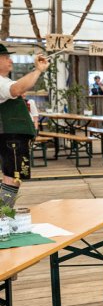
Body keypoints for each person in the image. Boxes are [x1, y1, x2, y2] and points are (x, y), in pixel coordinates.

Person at [0, 47, 48, 205]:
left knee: (13, 176)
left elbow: (17, 87)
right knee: (13, 177)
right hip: (11, 136)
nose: (10, 60)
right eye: (6, 57)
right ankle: (2, 214)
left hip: (12, 136)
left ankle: (3, 212)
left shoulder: (4, 81)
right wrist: (38, 70)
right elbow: (16, 89)